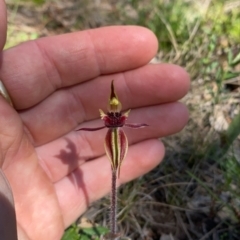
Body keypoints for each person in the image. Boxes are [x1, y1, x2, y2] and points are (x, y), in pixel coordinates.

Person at [0, 1, 190, 239]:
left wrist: (132, 123)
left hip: (117, 135)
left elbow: (124, 122)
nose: (112, 108)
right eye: (111, 106)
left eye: (114, 106)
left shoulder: (119, 119)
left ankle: (111, 230)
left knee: (116, 165)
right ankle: (110, 232)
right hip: (111, 134)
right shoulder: (109, 118)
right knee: (113, 164)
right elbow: (97, 125)